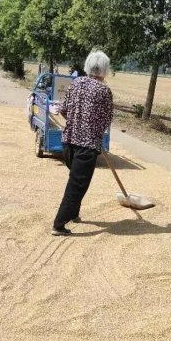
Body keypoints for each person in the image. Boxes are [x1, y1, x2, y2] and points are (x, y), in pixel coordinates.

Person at [52, 50, 113, 236]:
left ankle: (74, 213)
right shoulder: (104, 91)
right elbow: (106, 119)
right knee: (77, 185)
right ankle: (58, 224)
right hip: (87, 148)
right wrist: (94, 133)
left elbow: (63, 110)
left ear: (87, 66)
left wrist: (77, 122)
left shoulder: (76, 83)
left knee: (77, 181)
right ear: (104, 70)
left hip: (68, 143)